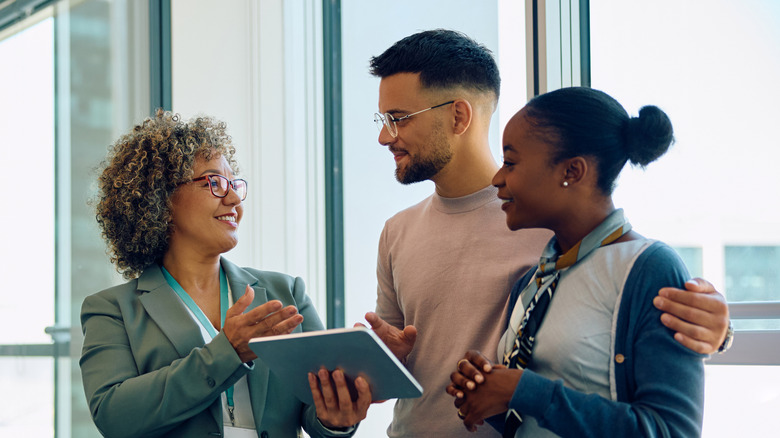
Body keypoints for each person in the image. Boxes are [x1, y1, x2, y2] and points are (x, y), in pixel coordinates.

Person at [363, 29, 729, 437]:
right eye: (383, 119)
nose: (384, 136)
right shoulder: (399, 233)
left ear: (458, 116)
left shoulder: (550, 225)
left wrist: (716, 330)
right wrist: (377, 363)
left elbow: (631, 288)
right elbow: (396, 363)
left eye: (398, 119)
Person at [80, 110, 369, 438]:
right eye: (214, 182)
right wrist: (227, 352)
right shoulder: (112, 310)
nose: (233, 199)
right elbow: (115, 416)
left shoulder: (286, 293)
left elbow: (316, 409)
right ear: (161, 197)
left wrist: (337, 417)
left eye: (234, 185)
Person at [447, 86, 705, 437]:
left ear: (572, 170)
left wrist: (521, 389)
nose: (497, 178)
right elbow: (535, 419)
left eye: (510, 161)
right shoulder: (533, 281)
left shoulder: (649, 268)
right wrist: (490, 393)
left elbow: (672, 431)